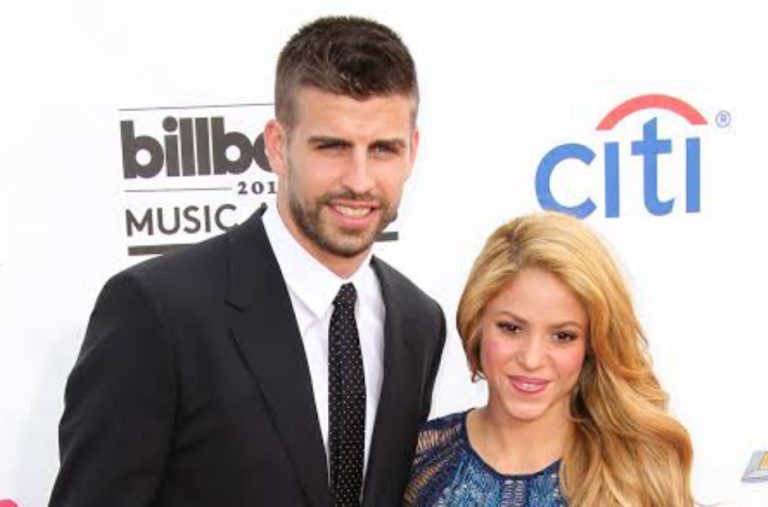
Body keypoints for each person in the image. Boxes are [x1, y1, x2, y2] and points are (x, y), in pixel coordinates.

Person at [49, 16, 445, 507]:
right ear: (277, 146)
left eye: (383, 149)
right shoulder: (159, 311)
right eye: (332, 146)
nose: (359, 180)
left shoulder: (417, 322)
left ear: (412, 152)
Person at [404, 212, 693, 506]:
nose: (531, 360)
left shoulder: (638, 473)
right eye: (511, 328)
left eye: (563, 336)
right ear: (476, 323)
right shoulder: (415, 461)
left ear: (592, 344)